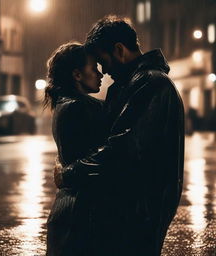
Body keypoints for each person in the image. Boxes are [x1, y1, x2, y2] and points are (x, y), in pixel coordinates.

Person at [54, 16, 185, 256]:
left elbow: (124, 148)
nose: (103, 70)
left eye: (102, 61)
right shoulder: (130, 84)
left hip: (140, 211)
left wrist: (69, 173)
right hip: (125, 209)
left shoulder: (152, 84)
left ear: (119, 50)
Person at [44, 42, 105, 256]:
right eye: (94, 69)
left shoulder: (61, 105)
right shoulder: (84, 107)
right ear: (77, 75)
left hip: (64, 209)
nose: (100, 74)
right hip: (84, 215)